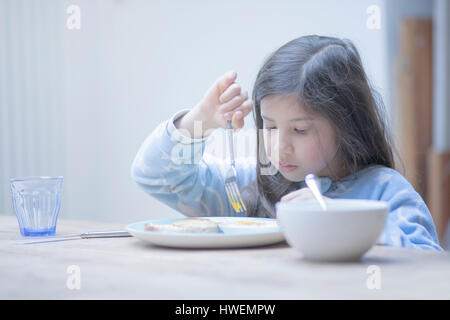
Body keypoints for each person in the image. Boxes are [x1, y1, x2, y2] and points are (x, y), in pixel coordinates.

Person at [131, 35, 442, 250]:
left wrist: (337, 217)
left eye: (300, 130)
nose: (279, 147)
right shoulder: (250, 188)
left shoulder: (386, 191)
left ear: (347, 124)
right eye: (269, 126)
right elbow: (155, 176)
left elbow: (425, 261)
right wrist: (200, 120)